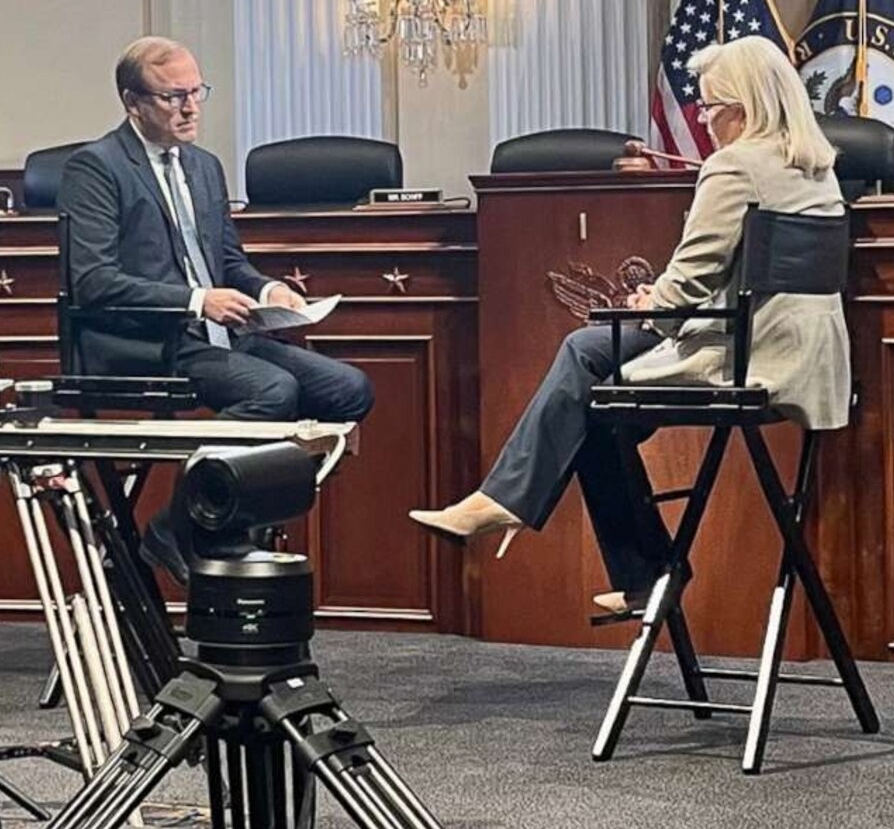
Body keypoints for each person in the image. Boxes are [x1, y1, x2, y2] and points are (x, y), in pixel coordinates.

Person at [412, 37, 850, 617]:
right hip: (805, 358)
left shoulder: (735, 165)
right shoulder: (815, 166)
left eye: (711, 108)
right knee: (591, 411)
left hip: (745, 354)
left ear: (742, 109)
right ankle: (636, 573)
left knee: (583, 357)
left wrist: (653, 303)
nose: (705, 119)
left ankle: (515, 505)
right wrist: (667, 303)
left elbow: (692, 279)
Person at [59, 35, 375, 446]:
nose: (190, 108)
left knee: (349, 388)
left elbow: (227, 261)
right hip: (148, 342)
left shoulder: (205, 166)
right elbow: (94, 281)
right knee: (273, 391)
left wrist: (269, 289)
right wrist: (198, 301)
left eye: (195, 92)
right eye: (173, 97)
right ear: (132, 103)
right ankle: (193, 508)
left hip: (223, 338)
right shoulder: (96, 168)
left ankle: (256, 502)